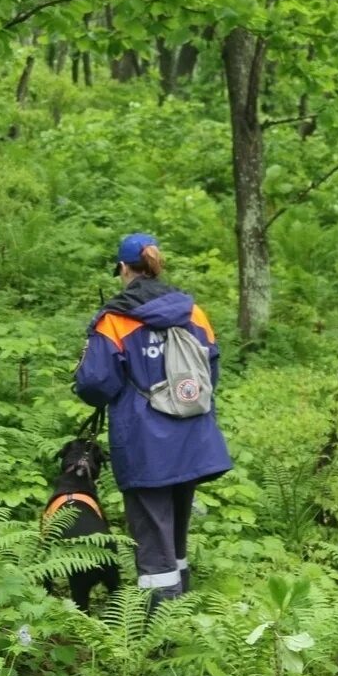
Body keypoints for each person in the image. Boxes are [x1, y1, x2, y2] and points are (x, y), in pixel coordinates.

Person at [74, 233, 232, 606]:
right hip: (191, 437)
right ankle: (182, 608)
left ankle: (161, 631)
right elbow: (211, 370)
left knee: (152, 534)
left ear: (124, 269)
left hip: (145, 443)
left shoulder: (115, 320)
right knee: (175, 532)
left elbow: (95, 383)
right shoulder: (194, 312)